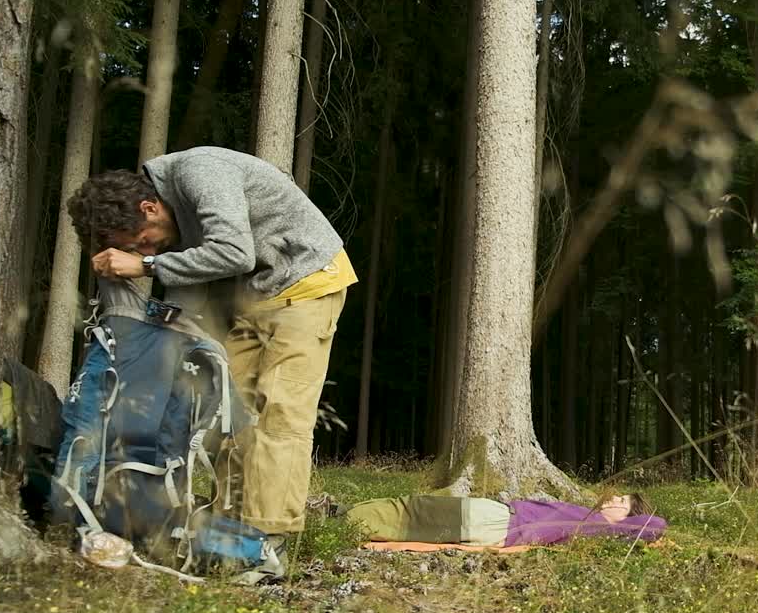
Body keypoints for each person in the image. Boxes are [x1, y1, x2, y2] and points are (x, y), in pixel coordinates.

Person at [67, 147, 356, 565]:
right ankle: (230, 523)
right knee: (229, 412)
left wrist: (145, 265)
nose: (143, 251)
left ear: (149, 208)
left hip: (306, 279)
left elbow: (234, 252)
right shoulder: (172, 217)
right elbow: (189, 284)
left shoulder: (202, 173)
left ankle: (268, 540)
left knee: (280, 413)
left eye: (139, 243)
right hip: (253, 295)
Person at [345, 493, 667, 548]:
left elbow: (657, 526)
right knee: (415, 510)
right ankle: (342, 516)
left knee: (415, 511)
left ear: (631, 518)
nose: (612, 498)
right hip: (498, 516)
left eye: (622, 502)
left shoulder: (603, 529)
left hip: (499, 525)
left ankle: (342, 520)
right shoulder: (591, 520)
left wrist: (637, 521)